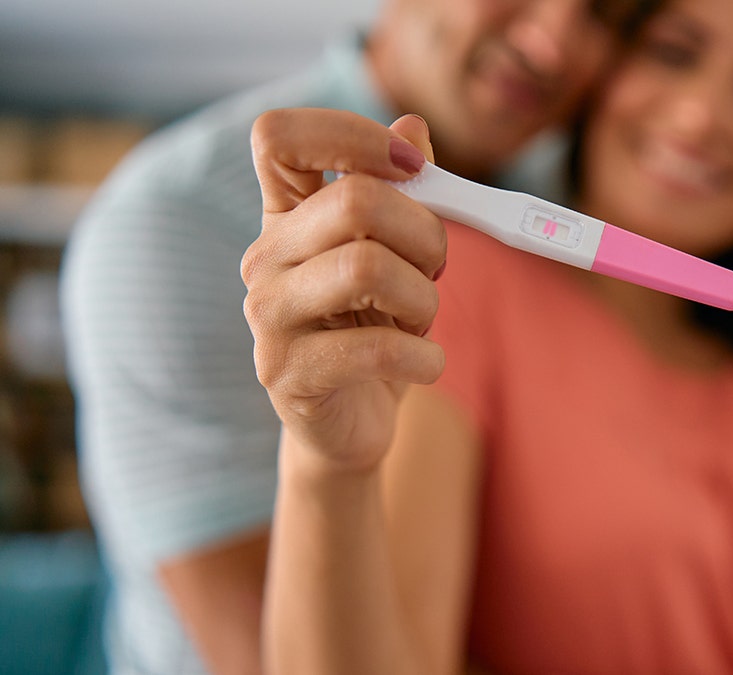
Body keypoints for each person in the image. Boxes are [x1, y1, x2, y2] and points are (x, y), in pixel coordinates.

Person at [243, 0, 733, 672]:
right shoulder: (460, 289)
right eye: (672, 52)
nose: (701, 116)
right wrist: (327, 467)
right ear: (594, 77)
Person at [60, 1, 657, 673]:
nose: (553, 46)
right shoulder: (171, 225)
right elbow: (264, 659)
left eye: (605, 14)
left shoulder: (568, 207)